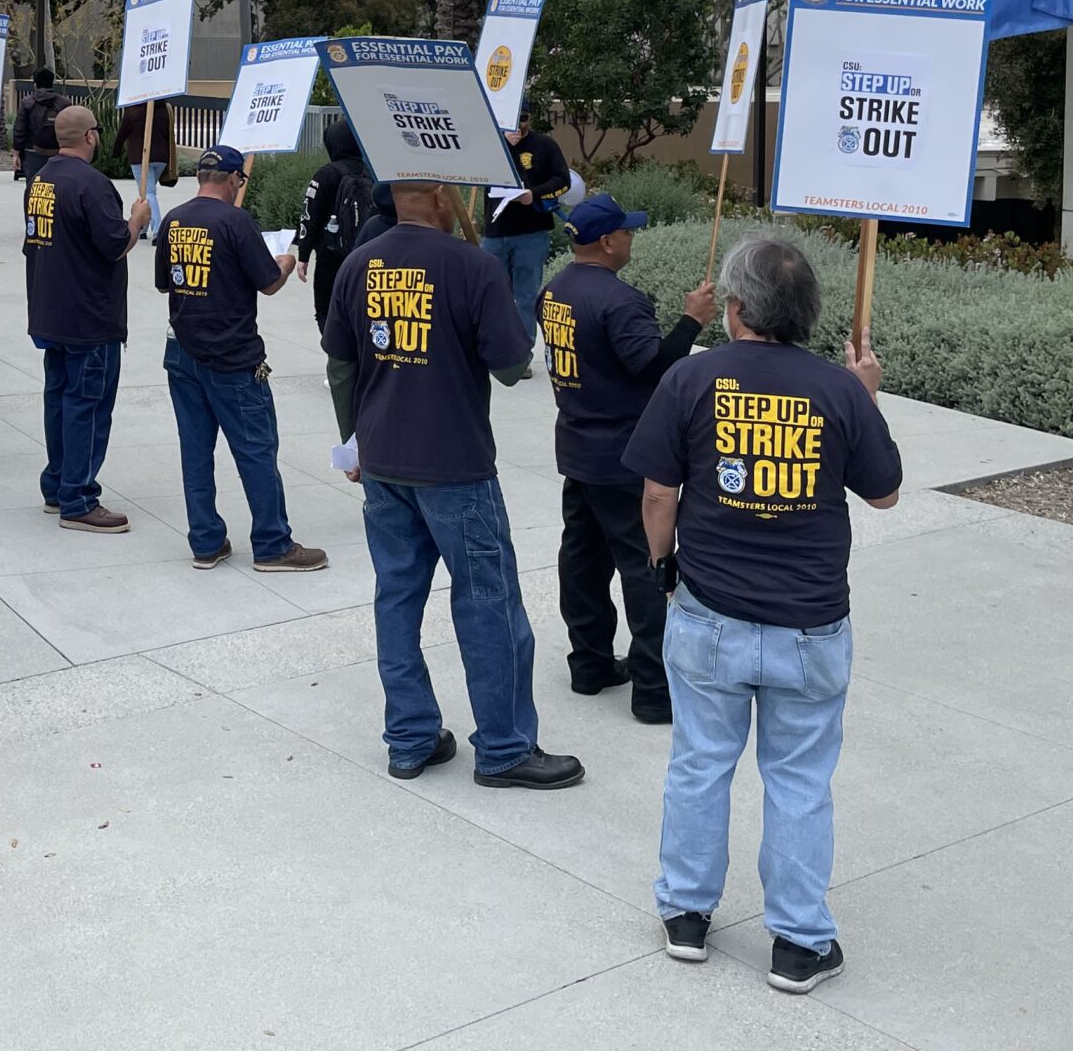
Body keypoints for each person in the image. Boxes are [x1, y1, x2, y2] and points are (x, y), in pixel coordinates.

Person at [627, 235, 901, 995]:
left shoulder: (691, 377)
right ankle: (799, 942)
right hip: (810, 626)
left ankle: (685, 915)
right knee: (800, 781)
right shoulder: (840, 390)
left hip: (710, 614)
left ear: (738, 308)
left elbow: (658, 492)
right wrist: (867, 394)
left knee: (698, 764)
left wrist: (662, 566)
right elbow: (883, 493)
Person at [323, 179, 581, 792]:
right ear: (443, 196)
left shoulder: (360, 263)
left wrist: (354, 442)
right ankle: (504, 747)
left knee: (396, 599)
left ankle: (410, 739)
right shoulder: (473, 265)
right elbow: (513, 367)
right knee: (489, 604)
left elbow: (341, 363)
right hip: (455, 465)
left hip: (383, 462)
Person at [537, 194, 715, 725]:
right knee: (646, 565)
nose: (632, 239)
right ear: (609, 241)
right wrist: (691, 321)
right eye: (628, 232)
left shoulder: (555, 289)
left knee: (584, 559)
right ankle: (654, 689)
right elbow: (653, 367)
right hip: (623, 454)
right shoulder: (619, 300)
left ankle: (589, 663)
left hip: (578, 446)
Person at [151, 145, 326, 572]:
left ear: (200, 178)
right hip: (232, 354)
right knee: (256, 451)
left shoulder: (173, 220)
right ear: (232, 178)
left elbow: (162, 283)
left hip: (182, 349)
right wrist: (284, 262)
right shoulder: (236, 221)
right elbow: (268, 284)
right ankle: (272, 544)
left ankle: (206, 541)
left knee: (196, 451)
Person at [23, 103, 150, 532]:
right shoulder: (92, 185)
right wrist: (136, 220)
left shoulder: (40, 179)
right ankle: (78, 497)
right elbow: (114, 245)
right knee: (88, 405)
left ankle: (58, 484)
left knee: (59, 399)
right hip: (88, 316)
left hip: (51, 309)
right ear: (91, 136)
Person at [480, 107, 569, 350]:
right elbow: (477, 174)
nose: (519, 124)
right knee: (490, 294)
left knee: (525, 296)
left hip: (531, 232)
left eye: (524, 118)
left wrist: (535, 194)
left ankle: (521, 354)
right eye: (513, 118)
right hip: (495, 232)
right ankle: (495, 349)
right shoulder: (491, 146)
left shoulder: (545, 145)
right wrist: (504, 146)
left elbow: (563, 180)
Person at [293, 115, 373, 330]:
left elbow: (310, 214)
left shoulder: (326, 174)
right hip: (366, 254)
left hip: (330, 254)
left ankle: (335, 354)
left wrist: (303, 255)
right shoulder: (372, 172)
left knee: (326, 310)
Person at [13, 68, 67, 180]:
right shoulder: (64, 103)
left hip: (33, 153)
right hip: (59, 153)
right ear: (51, 83)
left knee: (33, 187)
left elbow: (20, 130)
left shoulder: (27, 103)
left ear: (35, 85)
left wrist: (16, 153)